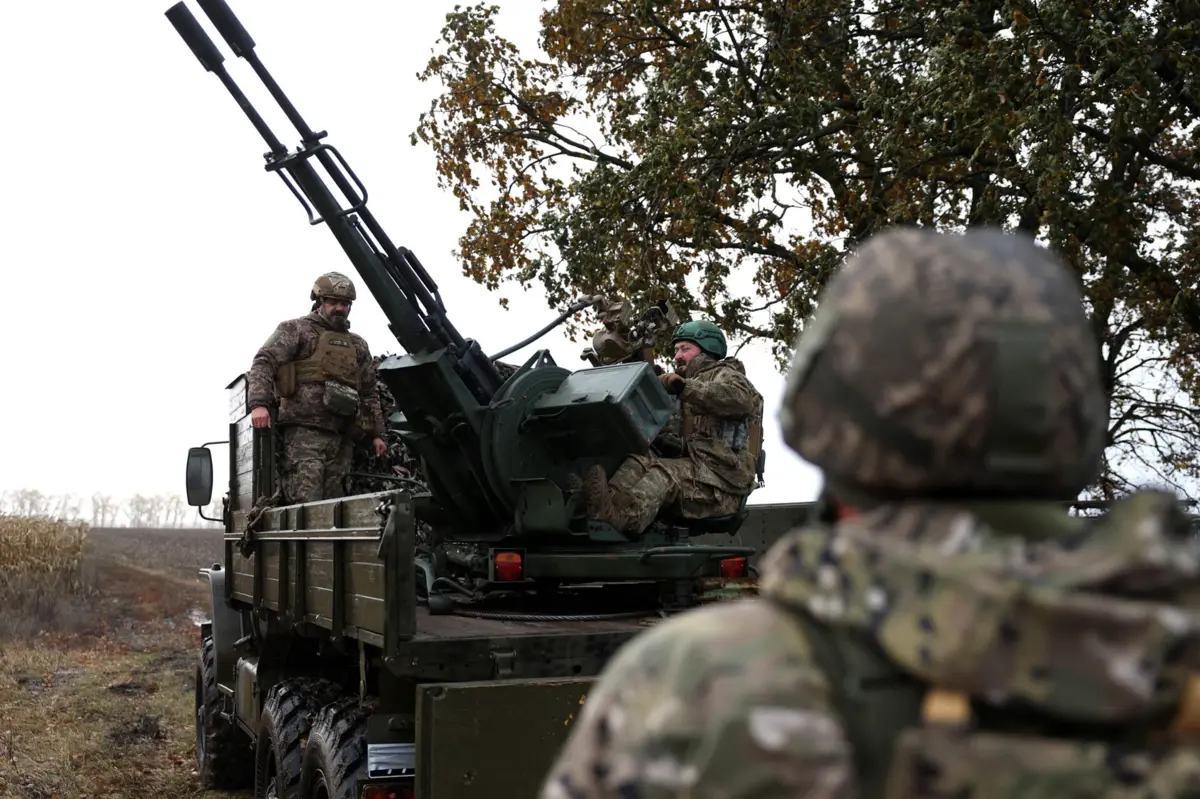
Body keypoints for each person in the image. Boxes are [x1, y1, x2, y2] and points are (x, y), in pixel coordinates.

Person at [538, 227, 1200, 798]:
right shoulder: (1177, 649)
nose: (679, 356)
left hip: (713, 490)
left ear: (826, 425)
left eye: (687, 348)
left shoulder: (699, 682)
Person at [574, 320, 764, 537]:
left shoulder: (728, 376)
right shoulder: (685, 385)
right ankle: (600, 504)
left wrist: (684, 387)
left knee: (662, 474)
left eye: (685, 349)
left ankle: (622, 518)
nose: (678, 356)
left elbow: (740, 401)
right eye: (676, 350)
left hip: (724, 486)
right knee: (639, 461)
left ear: (707, 350)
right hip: (698, 472)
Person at [246, 271, 387, 504]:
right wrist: (259, 404)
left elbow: (370, 392)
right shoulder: (296, 330)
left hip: (342, 440)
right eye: (333, 302)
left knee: (337, 509)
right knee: (306, 505)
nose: (339, 308)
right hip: (304, 435)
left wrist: (377, 435)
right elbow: (264, 361)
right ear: (320, 302)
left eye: (345, 303)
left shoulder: (358, 345)